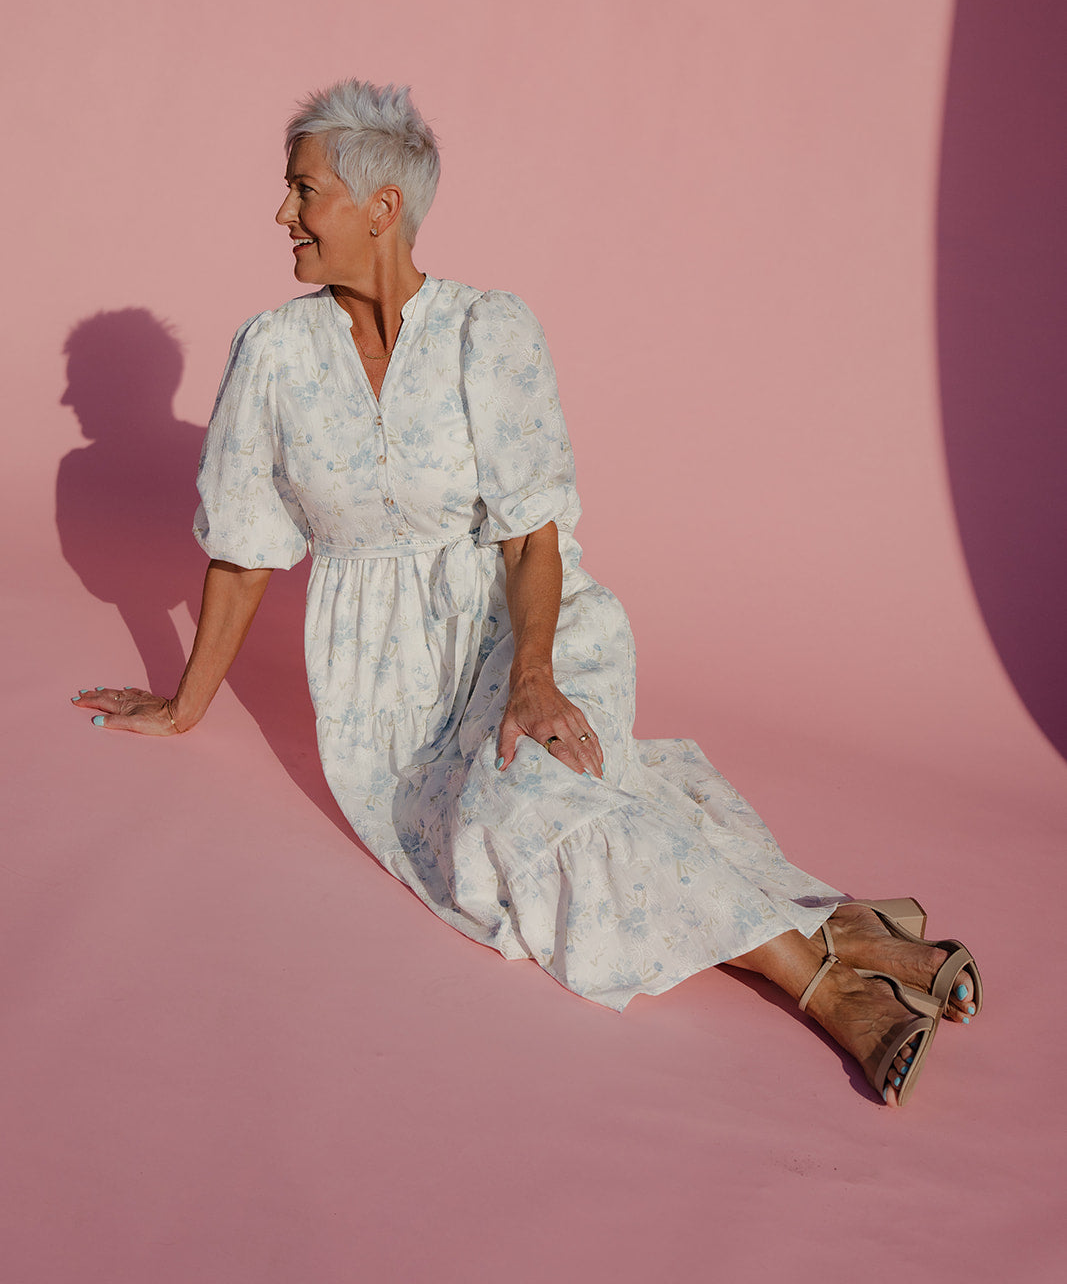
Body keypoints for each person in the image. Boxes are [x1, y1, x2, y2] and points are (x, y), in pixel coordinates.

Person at [72, 79, 981, 1107]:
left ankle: (828, 988)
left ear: (382, 207)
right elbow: (242, 551)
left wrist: (534, 679)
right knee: (507, 845)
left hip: (526, 625)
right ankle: (851, 923)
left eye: (302, 190)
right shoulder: (273, 354)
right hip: (386, 695)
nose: (282, 214)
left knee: (543, 797)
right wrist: (186, 705)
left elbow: (530, 533)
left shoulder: (485, 332)